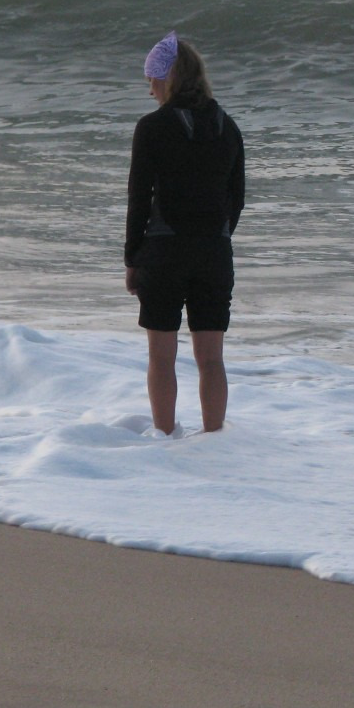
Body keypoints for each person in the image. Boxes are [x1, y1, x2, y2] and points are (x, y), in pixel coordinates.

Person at [124, 31, 245, 435]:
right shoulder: (228, 128)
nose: (151, 91)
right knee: (211, 359)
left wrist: (132, 259)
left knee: (162, 356)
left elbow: (139, 201)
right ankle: (213, 438)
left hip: (164, 253)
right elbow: (237, 200)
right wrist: (214, 237)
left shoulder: (152, 128)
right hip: (214, 254)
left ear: (169, 77)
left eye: (153, 81)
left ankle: (163, 437)